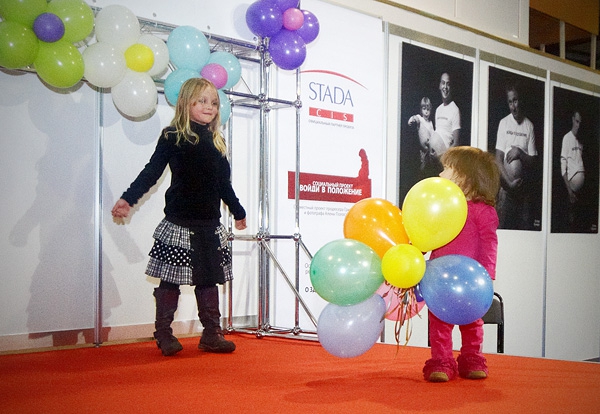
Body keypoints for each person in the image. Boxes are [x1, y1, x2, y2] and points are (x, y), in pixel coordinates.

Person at [111, 78, 247, 356]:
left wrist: (238, 211)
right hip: (180, 223)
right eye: (202, 101)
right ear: (185, 103)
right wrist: (128, 198)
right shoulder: (172, 136)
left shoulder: (217, 142)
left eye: (214, 103)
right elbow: (152, 171)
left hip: (209, 224)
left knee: (208, 280)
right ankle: (163, 333)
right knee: (170, 280)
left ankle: (211, 334)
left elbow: (223, 184)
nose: (209, 107)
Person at [423, 146, 500, 382]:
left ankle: (472, 358)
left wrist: (487, 274)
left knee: (473, 321)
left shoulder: (483, 212)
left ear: (466, 177)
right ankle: (442, 361)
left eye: (447, 169)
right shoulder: (442, 209)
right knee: (439, 322)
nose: (440, 174)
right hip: (439, 277)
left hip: (471, 279)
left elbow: (489, 243)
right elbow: (426, 235)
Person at [495, 83, 537, 229]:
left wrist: (519, 152)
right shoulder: (504, 123)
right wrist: (509, 183)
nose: (513, 106)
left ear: (520, 100)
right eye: (510, 102)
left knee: (524, 231)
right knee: (503, 230)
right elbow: (498, 159)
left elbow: (533, 161)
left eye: (515, 100)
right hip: (506, 190)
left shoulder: (529, 126)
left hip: (523, 192)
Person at [560, 111, 584, 229]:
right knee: (571, 218)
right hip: (571, 186)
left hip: (581, 188)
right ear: (572, 120)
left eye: (580, 123)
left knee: (579, 219)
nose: (578, 125)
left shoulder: (581, 140)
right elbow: (563, 166)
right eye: (576, 121)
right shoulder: (567, 138)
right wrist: (569, 190)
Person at [408, 96, 434, 171]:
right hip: (422, 152)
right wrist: (411, 120)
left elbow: (433, 135)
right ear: (421, 109)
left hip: (429, 151)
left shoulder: (430, 123)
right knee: (422, 168)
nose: (426, 112)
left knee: (430, 167)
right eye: (424, 109)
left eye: (428, 109)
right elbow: (414, 118)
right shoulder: (420, 118)